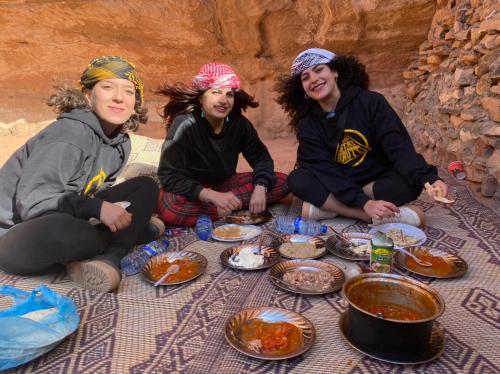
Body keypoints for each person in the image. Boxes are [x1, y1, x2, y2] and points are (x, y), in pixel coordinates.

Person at [0, 56, 161, 292]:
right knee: (65, 231)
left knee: (146, 186)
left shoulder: (120, 143)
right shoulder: (69, 134)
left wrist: (101, 207)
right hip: (17, 234)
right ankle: (124, 237)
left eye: (129, 91)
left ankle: (109, 258)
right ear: (87, 95)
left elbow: (97, 192)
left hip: (67, 216)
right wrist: (97, 209)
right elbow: (32, 203)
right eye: (107, 87)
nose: (119, 97)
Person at [275, 48, 449, 226]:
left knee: (411, 183)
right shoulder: (307, 124)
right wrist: (364, 204)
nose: (313, 79)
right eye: (305, 77)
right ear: (303, 89)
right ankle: (365, 215)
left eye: (319, 70)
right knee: (298, 180)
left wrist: (430, 179)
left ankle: (329, 208)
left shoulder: (372, 102)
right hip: (336, 180)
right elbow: (324, 170)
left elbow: (398, 148)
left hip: (374, 180)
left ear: (335, 72)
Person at [156, 62, 289, 226]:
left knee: (282, 180)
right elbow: (168, 176)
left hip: (225, 185)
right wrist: (210, 196)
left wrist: (261, 187)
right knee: (169, 207)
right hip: (193, 190)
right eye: (216, 92)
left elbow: (261, 158)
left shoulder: (239, 124)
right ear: (200, 97)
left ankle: (224, 205)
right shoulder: (185, 125)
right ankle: (222, 209)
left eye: (229, 94)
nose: (224, 101)